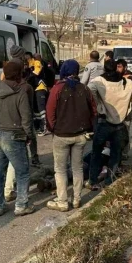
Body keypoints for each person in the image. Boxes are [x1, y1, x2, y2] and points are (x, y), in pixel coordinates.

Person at [0, 61, 36, 217]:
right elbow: (26, 118)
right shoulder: (20, 93)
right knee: (22, 172)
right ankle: (21, 205)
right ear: (19, 74)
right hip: (14, 135)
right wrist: (29, 136)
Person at [45, 59, 97, 211]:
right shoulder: (84, 89)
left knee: (60, 169)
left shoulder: (57, 88)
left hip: (61, 135)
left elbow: (50, 111)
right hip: (80, 135)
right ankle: (76, 199)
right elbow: (93, 111)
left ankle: (62, 201)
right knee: (77, 168)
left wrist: (53, 127)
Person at [87, 59, 132, 188]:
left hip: (104, 121)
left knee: (96, 152)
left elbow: (89, 88)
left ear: (105, 69)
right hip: (120, 123)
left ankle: (93, 180)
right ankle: (109, 180)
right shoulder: (125, 82)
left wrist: (99, 104)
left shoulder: (99, 81)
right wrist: (129, 103)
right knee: (116, 153)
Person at [116, 59, 132, 161]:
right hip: (116, 109)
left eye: (120, 67)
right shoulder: (115, 76)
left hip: (127, 110)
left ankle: (124, 153)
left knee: (125, 131)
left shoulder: (130, 77)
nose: (117, 69)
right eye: (117, 66)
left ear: (125, 67)